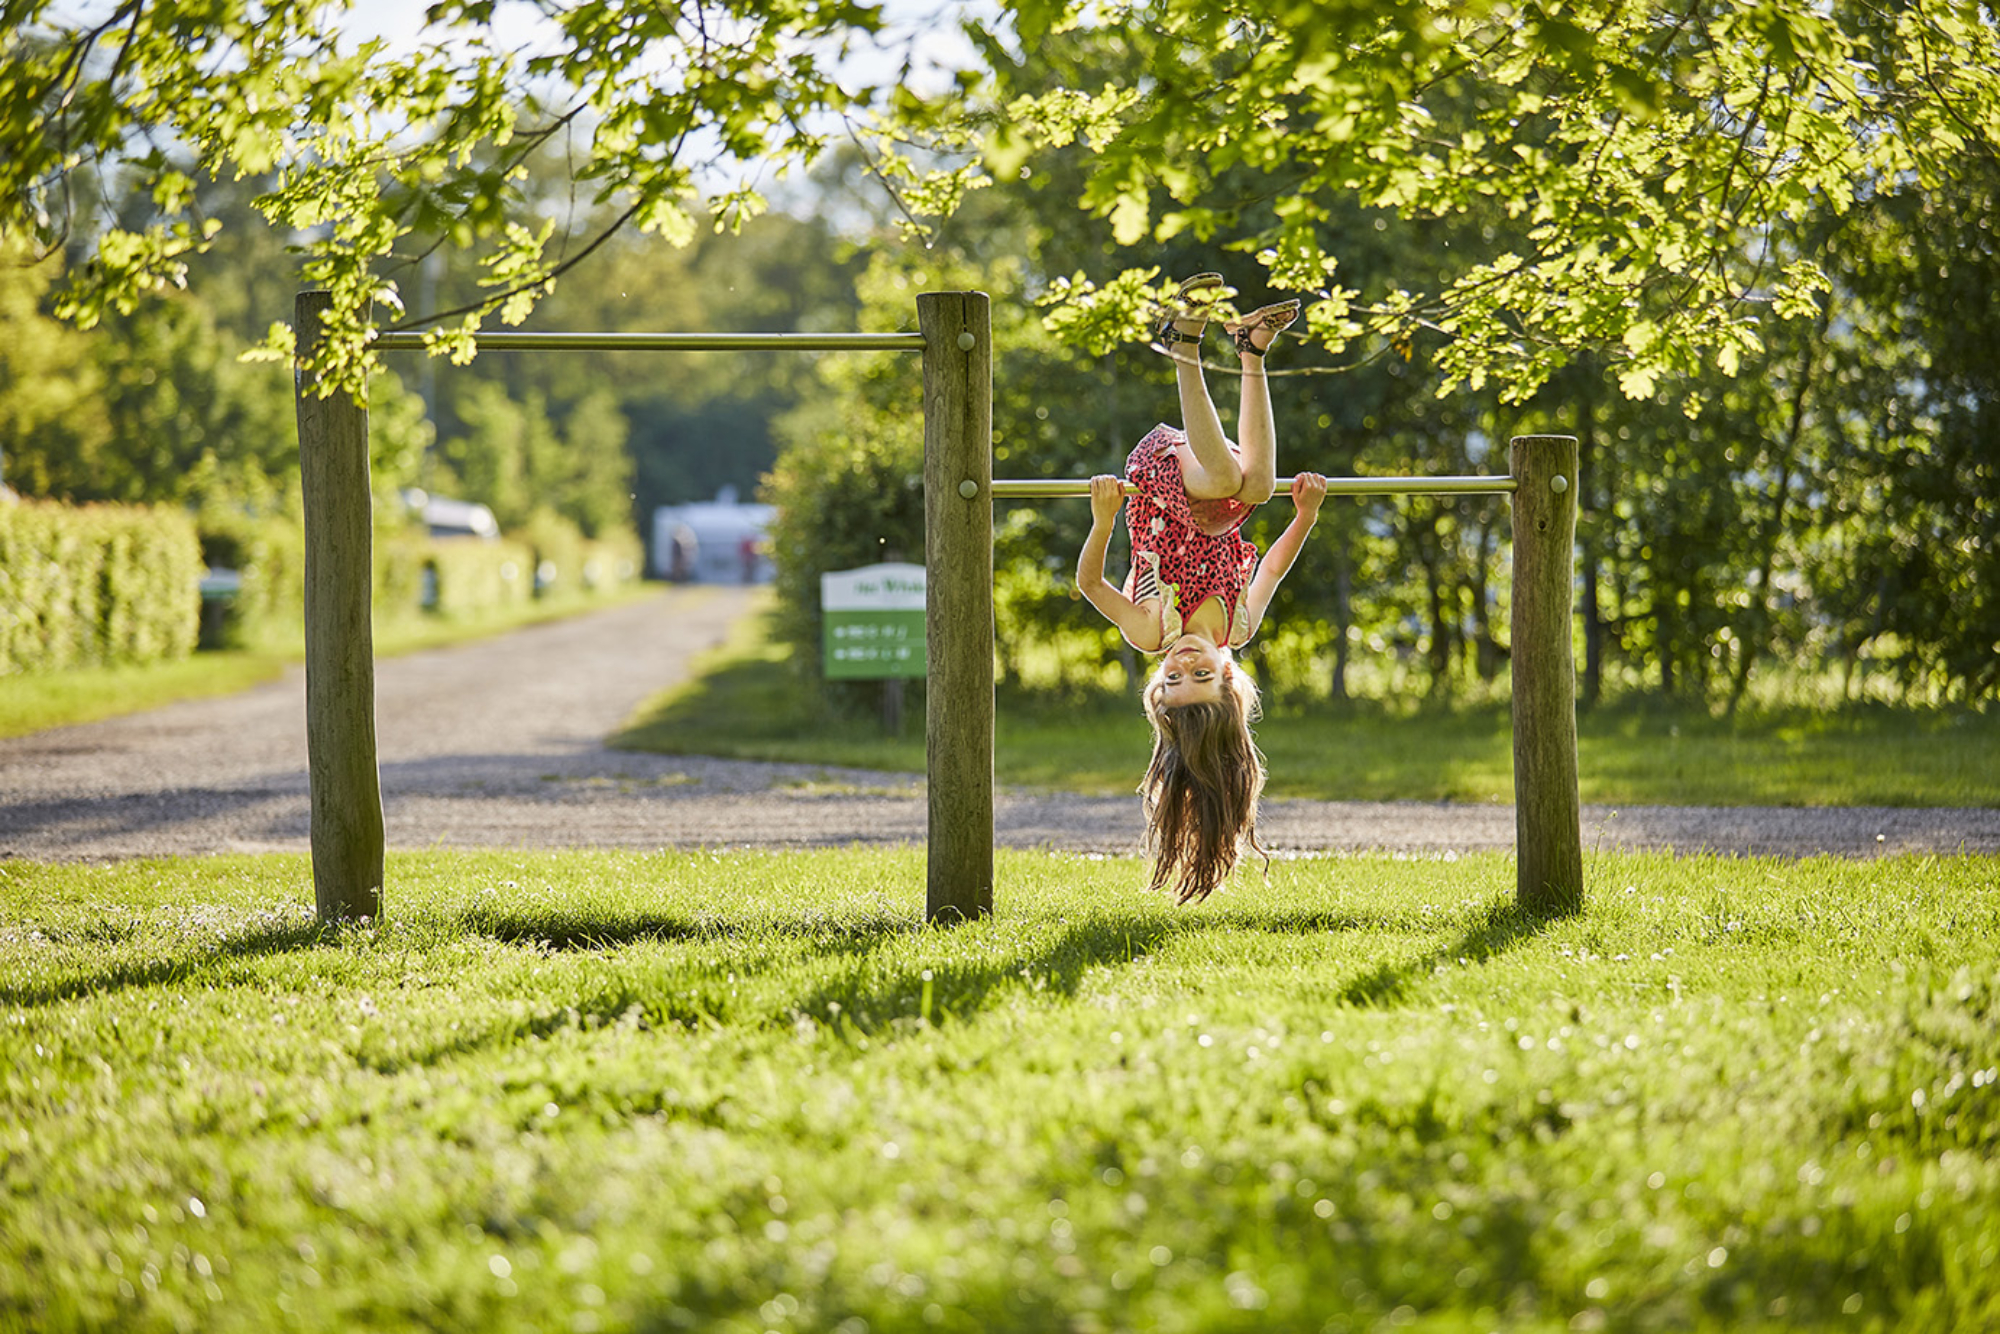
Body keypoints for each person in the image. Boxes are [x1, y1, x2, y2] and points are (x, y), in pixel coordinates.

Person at [1074, 273, 1329, 904]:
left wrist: (1104, 520)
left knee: (1221, 474)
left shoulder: (1150, 630)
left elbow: (1088, 583)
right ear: (1230, 677)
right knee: (1261, 486)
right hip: (1215, 506)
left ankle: (1182, 343)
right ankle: (1250, 348)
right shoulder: (1239, 628)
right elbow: (1269, 568)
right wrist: (1306, 518)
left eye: (1173, 682)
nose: (1184, 667)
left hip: (1160, 483)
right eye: (1202, 679)